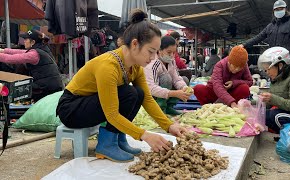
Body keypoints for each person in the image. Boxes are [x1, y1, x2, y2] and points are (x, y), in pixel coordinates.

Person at [56, 9, 187, 162]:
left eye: (155, 53)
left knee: (138, 93)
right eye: (150, 52)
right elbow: (111, 114)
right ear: (135, 44)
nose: (153, 58)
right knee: (128, 93)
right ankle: (106, 144)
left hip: (89, 104)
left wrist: (169, 126)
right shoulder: (108, 66)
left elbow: (148, 100)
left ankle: (117, 138)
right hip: (71, 109)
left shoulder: (135, 67)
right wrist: (144, 135)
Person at [0, 29, 63, 101]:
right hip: (52, 85)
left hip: (46, 88)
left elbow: (10, 59)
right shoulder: (41, 49)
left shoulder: (34, 54)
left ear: (33, 42)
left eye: (26, 39)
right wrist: (3, 50)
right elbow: (20, 52)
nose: (24, 41)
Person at [144, 36, 192, 115]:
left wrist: (185, 88)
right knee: (166, 78)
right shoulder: (153, 63)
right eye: (169, 52)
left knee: (184, 79)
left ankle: (169, 107)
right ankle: (160, 108)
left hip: (164, 91)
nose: (172, 55)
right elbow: (151, 88)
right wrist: (173, 93)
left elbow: (176, 78)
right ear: (160, 50)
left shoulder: (171, 61)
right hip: (152, 96)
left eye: (174, 53)